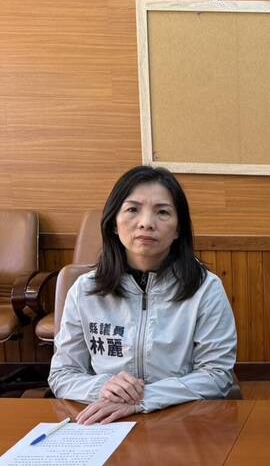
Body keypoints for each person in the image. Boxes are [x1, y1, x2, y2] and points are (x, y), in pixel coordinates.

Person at [49, 166, 237, 424]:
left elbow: (217, 376)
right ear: (114, 223)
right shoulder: (84, 290)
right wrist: (104, 388)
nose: (146, 223)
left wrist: (145, 398)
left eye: (162, 212)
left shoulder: (205, 288)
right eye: (132, 209)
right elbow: (62, 374)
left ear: (178, 229)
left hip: (180, 419)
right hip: (106, 420)